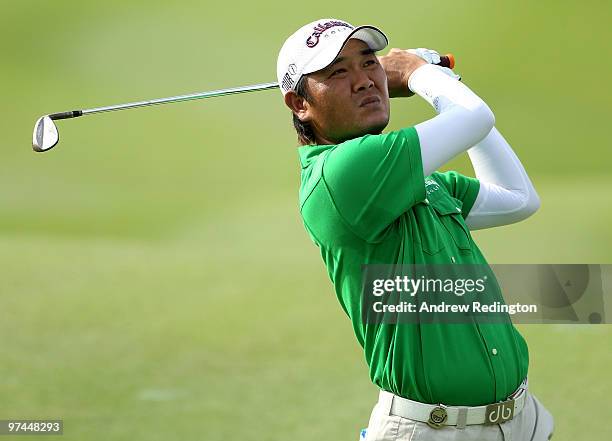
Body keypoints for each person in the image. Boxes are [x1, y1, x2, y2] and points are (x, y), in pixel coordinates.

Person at [277, 19, 555, 440]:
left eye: (369, 64)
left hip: (520, 420)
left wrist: (440, 81)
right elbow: (474, 115)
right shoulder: (342, 172)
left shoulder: (413, 181)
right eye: (338, 72)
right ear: (299, 103)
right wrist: (420, 74)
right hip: (433, 431)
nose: (364, 81)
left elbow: (517, 197)